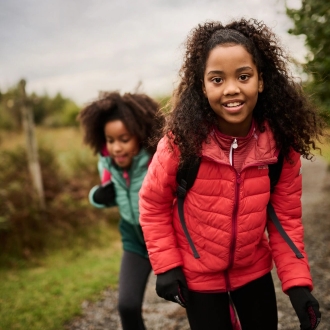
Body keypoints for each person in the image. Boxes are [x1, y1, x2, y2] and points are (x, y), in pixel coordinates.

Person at [138, 18, 324, 330]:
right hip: (198, 279)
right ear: (203, 85)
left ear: (261, 81)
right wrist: (167, 266)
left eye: (243, 76)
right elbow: (153, 204)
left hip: (253, 272)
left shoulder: (281, 146)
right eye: (217, 79)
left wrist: (297, 284)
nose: (232, 89)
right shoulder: (181, 143)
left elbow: (285, 220)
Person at [78, 91, 163, 330]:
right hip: (134, 239)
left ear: (139, 135)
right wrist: (96, 196)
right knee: (126, 306)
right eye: (111, 140)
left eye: (124, 139)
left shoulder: (154, 161)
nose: (116, 147)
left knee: (196, 299)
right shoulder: (107, 163)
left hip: (166, 238)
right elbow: (109, 193)